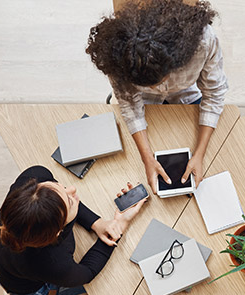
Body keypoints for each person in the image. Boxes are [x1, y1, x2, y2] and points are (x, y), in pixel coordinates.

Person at [86, 0, 228, 193]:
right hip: (143, 101)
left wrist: (200, 154)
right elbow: (129, 104)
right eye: (146, 84)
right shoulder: (119, 54)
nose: (157, 87)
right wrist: (147, 159)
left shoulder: (203, 42)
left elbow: (214, 94)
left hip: (186, 96)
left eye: (159, 80)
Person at [0, 166, 146, 295]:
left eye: (58, 186)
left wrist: (96, 223)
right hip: (29, 289)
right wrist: (119, 226)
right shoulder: (54, 263)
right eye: (69, 201)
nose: (72, 189)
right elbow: (87, 273)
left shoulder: (33, 179)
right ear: (57, 232)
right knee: (101, 289)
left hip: (0, 262)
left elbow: (54, 201)